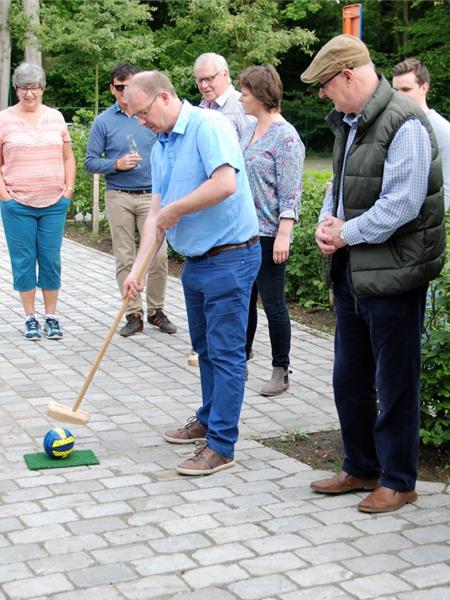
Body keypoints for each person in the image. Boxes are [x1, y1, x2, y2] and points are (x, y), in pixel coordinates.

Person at [300, 35, 446, 513]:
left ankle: (400, 479)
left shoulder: (405, 122)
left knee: (395, 381)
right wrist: (327, 223)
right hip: (353, 272)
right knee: (350, 376)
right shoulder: (349, 121)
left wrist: (347, 233)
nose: (323, 94)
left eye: (325, 84)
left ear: (347, 75)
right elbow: (339, 186)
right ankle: (360, 467)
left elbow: (402, 204)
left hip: (396, 274)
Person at [123, 71, 261, 476]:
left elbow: (224, 185)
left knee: (225, 352)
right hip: (198, 263)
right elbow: (156, 213)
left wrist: (175, 211)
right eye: (134, 116)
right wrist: (138, 269)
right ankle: (207, 418)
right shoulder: (162, 144)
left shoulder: (209, 126)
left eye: (143, 113)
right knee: (203, 349)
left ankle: (221, 445)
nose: (140, 122)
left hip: (231, 257)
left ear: (163, 98)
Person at [85, 63, 176, 337]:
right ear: (112, 88)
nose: (124, 91)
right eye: (119, 86)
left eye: (129, 85)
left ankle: (156, 310)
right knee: (125, 256)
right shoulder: (103, 121)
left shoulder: (151, 115)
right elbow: (90, 162)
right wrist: (116, 164)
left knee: (157, 256)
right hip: (119, 195)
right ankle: (133, 313)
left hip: (152, 194)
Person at [238, 64, 304, 396]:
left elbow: (291, 191)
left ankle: (281, 369)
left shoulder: (286, 136)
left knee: (273, 303)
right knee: (245, 299)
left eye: (245, 93)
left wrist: (284, 233)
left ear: (262, 96)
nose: (240, 98)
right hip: (245, 233)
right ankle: (242, 358)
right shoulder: (248, 130)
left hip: (269, 235)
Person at [0, 63, 76, 341]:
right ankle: (30, 316)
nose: (29, 93)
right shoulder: (4, 120)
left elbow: (68, 156)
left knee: (50, 259)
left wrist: (68, 190)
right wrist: (5, 197)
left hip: (54, 203)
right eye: (23, 87)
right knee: (23, 260)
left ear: (42, 88)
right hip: (17, 204)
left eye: (33, 87)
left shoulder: (55, 117)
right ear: (16, 90)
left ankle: (51, 316)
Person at [392, 58, 450, 211]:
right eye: (395, 90)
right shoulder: (389, 124)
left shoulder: (443, 130)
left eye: (405, 89)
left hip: (422, 224)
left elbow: (446, 188)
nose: (398, 96)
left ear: (424, 88)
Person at [194, 52, 251, 140]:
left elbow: (253, 147)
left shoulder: (241, 105)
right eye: (200, 80)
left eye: (209, 79)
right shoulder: (201, 109)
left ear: (225, 74)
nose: (203, 85)